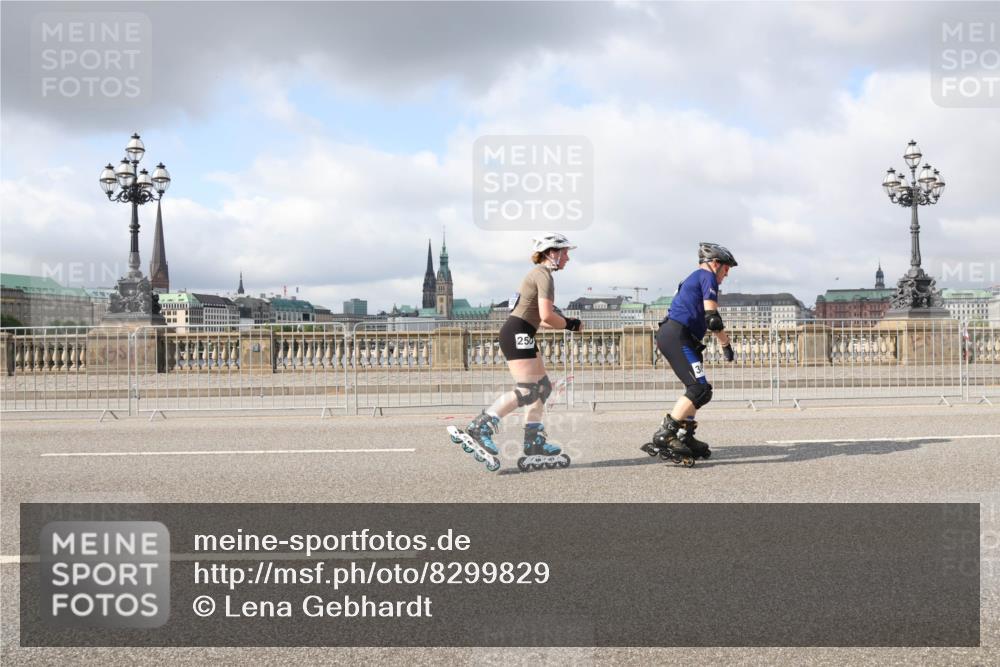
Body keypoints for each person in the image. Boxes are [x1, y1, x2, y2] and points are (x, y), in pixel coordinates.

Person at [452, 233, 582, 472]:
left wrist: (563, 322)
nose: (567, 258)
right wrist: (571, 324)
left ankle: (534, 441)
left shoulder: (538, 274)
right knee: (528, 390)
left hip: (522, 332)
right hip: (517, 333)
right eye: (564, 253)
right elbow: (547, 315)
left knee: (542, 387)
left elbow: (539, 319)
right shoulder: (543, 275)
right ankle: (481, 426)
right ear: (551, 253)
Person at [642, 242, 738, 465]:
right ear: (715, 263)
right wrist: (726, 345)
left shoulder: (694, 278)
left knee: (700, 390)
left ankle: (685, 434)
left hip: (681, 336)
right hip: (678, 335)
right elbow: (712, 319)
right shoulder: (707, 276)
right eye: (726, 268)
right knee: (698, 389)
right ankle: (666, 434)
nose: (727, 274)